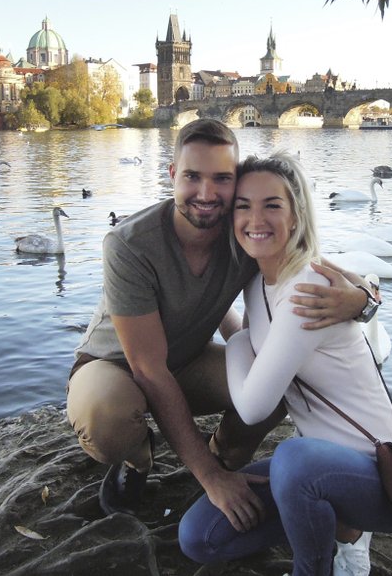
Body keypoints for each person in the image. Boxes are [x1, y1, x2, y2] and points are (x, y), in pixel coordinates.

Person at [66, 119, 374, 521]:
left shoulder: (244, 229)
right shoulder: (130, 245)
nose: (207, 194)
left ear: (236, 182)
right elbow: (148, 368)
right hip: (116, 365)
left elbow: (330, 272)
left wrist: (359, 301)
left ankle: (226, 454)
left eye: (222, 179)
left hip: (188, 361)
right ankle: (137, 461)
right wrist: (208, 478)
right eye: (193, 176)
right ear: (173, 174)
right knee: (104, 416)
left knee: (284, 381)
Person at [179, 151, 392, 576]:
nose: (255, 218)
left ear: (297, 215)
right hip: (313, 471)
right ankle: (319, 520)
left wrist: (240, 342)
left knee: (292, 460)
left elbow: (253, 407)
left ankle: (341, 550)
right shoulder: (256, 281)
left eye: (272, 205)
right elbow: (259, 356)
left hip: (376, 476)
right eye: (243, 206)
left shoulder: (308, 287)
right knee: (199, 537)